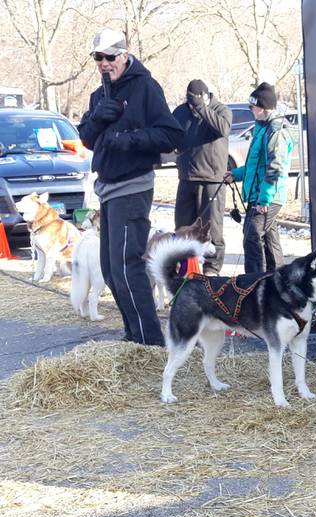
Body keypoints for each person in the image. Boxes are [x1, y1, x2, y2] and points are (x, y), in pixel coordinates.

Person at [77, 29, 183, 346]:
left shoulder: (145, 88)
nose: (104, 63)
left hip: (133, 187)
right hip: (107, 189)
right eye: (98, 57)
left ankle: (149, 343)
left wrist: (130, 139)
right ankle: (133, 337)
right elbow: (86, 138)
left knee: (127, 267)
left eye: (110, 56)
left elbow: (171, 134)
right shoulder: (99, 95)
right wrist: (97, 119)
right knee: (111, 271)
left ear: (124, 55)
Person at [223, 82, 293, 273]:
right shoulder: (262, 127)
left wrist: (264, 199)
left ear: (262, 108)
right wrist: (235, 174)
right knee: (270, 240)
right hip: (260, 195)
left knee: (252, 237)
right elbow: (256, 165)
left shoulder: (275, 131)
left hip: (266, 197)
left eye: (252, 106)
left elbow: (275, 169)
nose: (250, 110)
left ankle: (253, 285)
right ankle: (278, 281)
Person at [172, 80, 232, 275]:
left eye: (194, 103)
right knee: (183, 227)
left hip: (212, 179)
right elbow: (170, 134)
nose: (192, 108)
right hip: (187, 178)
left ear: (206, 97)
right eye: (190, 104)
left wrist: (202, 108)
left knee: (211, 228)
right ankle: (184, 268)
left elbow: (222, 129)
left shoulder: (221, 110)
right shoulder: (181, 112)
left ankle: (211, 270)